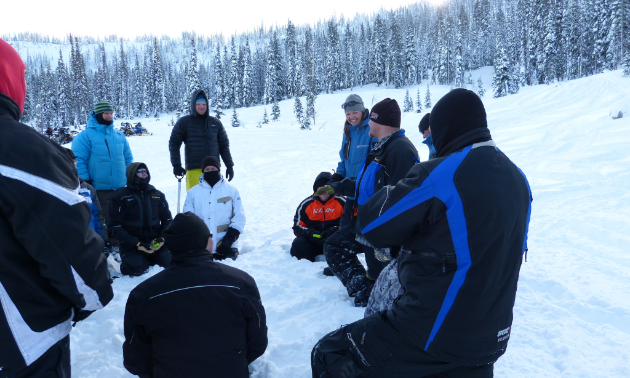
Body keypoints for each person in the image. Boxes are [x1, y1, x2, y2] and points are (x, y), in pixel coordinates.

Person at [312, 89, 532, 378]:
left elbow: (374, 225)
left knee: (329, 353)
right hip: (491, 337)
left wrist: (389, 191)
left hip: (432, 331)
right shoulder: (518, 179)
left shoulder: (443, 173)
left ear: (445, 130)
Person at [0, 38, 113, 378]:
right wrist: (90, 297)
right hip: (23, 339)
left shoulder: (116, 136)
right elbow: (70, 247)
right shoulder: (19, 149)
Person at [123, 212, 267, 378]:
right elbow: (258, 340)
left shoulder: (143, 295)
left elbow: (135, 359)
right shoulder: (240, 283)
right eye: (210, 236)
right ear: (206, 241)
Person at [317, 98, 419, 306]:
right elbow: (366, 184)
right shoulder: (382, 148)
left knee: (377, 272)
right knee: (334, 246)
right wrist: (336, 187)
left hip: (380, 230)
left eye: (370, 119)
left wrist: (387, 240)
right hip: (366, 223)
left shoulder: (400, 151)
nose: (366, 123)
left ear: (377, 121)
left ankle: (372, 293)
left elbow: (402, 199)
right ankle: (365, 290)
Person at [321, 95, 377, 276]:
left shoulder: (371, 130)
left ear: (362, 111)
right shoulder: (348, 132)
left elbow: (374, 162)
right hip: (351, 192)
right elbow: (344, 160)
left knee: (365, 232)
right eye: (348, 114)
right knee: (345, 227)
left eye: (355, 113)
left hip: (366, 192)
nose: (351, 117)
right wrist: (336, 178)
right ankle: (341, 261)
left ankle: (373, 270)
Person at [71, 100, 133, 229]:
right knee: (103, 217)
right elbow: (79, 160)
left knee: (123, 215)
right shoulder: (85, 136)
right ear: (98, 114)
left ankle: (121, 242)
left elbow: (128, 158)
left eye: (111, 113)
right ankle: (107, 244)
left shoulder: (119, 135)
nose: (109, 116)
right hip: (98, 187)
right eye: (106, 113)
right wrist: (85, 181)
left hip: (120, 185)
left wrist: (130, 176)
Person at [108, 162, 173, 276]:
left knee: (170, 264)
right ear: (132, 174)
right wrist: (136, 243)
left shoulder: (157, 194)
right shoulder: (120, 196)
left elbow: (168, 219)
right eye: (140, 172)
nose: (144, 174)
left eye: (145, 171)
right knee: (135, 269)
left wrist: (162, 238)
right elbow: (115, 226)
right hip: (132, 244)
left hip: (155, 242)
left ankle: (154, 257)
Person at [169, 90, 235, 191]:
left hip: (213, 169)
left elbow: (224, 146)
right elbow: (174, 143)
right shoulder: (184, 122)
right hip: (194, 169)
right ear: (193, 105)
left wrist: (229, 165)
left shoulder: (216, 123)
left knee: (216, 200)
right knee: (196, 202)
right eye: (198, 104)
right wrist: (176, 165)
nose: (201, 107)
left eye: (204, 104)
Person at [183, 156, 245, 260]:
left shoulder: (231, 191)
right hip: (201, 247)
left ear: (218, 169)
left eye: (213, 168)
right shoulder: (193, 193)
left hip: (227, 246)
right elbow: (187, 220)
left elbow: (239, 217)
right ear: (203, 171)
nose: (210, 171)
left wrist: (228, 240)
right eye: (207, 169)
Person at [291, 172, 346, 262]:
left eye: (327, 188)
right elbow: (297, 227)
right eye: (321, 188)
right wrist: (310, 233)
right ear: (316, 189)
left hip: (333, 240)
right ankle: (307, 267)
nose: (324, 192)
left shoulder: (342, 202)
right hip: (313, 240)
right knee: (298, 243)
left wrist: (333, 231)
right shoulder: (306, 204)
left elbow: (350, 224)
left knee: (345, 243)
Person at [65, 148, 110, 254]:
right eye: (67, 161)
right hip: (68, 249)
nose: (72, 165)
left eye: (73, 161)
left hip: (92, 244)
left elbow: (98, 216)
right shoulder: (52, 189)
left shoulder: (87, 188)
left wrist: (103, 241)